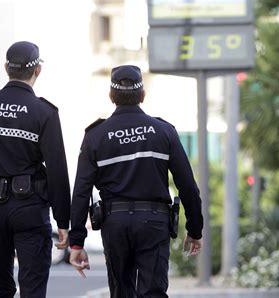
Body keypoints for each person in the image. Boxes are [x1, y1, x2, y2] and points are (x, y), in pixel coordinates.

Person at [68, 65, 204, 297]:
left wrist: (77, 243)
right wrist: (195, 229)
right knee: (153, 292)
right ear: (142, 95)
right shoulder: (164, 131)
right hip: (154, 222)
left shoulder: (95, 136)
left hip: (115, 224)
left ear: (112, 96)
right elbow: (188, 186)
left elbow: (81, 191)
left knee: (121, 292)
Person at [0, 41, 71, 298]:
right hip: (30, 210)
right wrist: (64, 221)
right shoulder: (43, 112)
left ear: (6, 67)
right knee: (33, 288)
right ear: (37, 70)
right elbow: (57, 170)